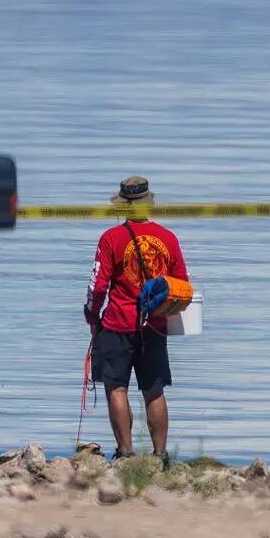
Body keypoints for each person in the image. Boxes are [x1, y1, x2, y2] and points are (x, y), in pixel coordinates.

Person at [85, 176, 189, 463]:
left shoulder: (110, 238)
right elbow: (182, 284)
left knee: (116, 388)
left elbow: (98, 286)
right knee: (153, 391)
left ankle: (126, 453)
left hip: (117, 323)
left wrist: (92, 316)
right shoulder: (168, 238)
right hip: (154, 326)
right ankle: (160, 455)